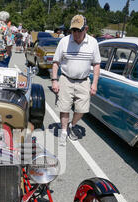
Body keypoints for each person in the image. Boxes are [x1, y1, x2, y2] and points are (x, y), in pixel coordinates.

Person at [51, 15, 101, 146]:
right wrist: (54, 80)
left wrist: (95, 83)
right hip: (66, 79)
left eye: (79, 30)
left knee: (82, 109)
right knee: (64, 107)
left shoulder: (93, 43)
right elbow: (56, 62)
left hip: (84, 81)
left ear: (86, 29)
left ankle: (72, 125)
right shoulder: (64, 41)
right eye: (73, 30)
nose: (76, 33)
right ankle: (63, 131)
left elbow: (96, 64)